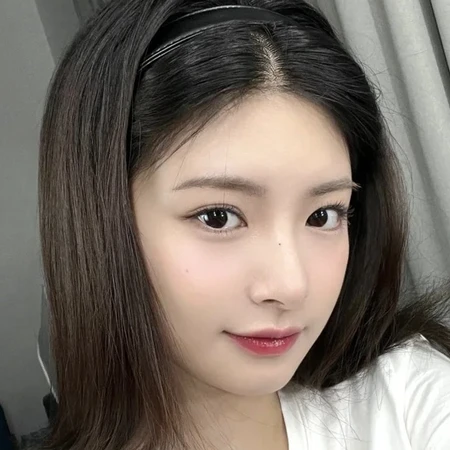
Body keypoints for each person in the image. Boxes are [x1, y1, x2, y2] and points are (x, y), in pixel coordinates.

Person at [38, 1, 450, 449]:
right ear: (100, 219)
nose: (291, 287)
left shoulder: (408, 400)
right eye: (218, 217)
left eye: (323, 215)